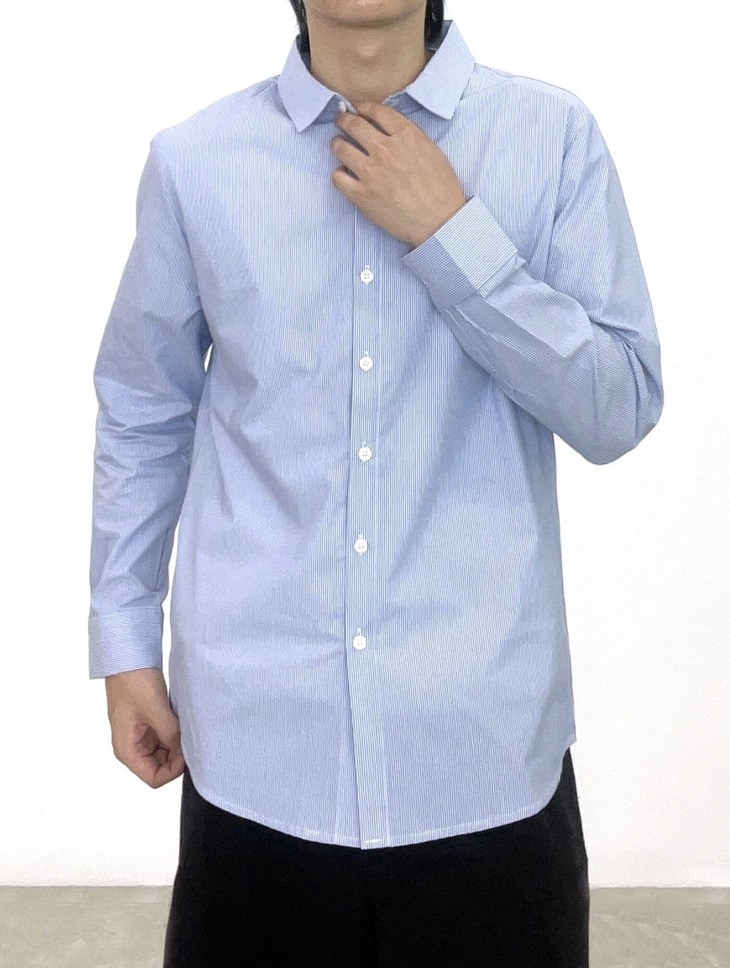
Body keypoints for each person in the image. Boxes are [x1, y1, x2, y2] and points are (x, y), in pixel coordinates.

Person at [88, 1, 664, 965]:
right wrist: (124, 645)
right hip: (256, 752)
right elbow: (145, 410)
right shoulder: (195, 160)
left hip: (483, 753)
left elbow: (619, 410)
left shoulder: (553, 137)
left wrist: (451, 234)